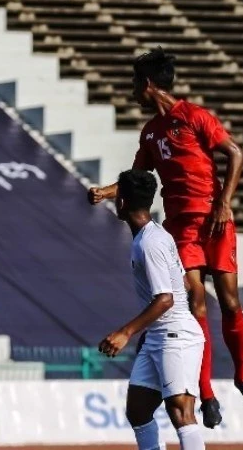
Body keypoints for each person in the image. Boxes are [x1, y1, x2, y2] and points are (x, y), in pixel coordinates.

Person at [88, 47, 243, 427]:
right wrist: (105, 192)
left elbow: (234, 154)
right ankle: (207, 393)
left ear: (148, 84)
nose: (132, 91)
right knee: (196, 303)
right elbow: (135, 179)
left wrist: (224, 202)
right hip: (181, 228)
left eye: (135, 83)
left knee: (230, 301)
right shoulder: (150, 132)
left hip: (214, 219)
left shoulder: (195, 116)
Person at [99, 169, 206, 450]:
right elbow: (184, 283)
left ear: (121, 202)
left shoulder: (150, 243)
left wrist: (126, 332)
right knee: (138, 410)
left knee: (180, 411)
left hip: (175, 336)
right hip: (159, 335)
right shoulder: (156, 234)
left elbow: (166, 298)